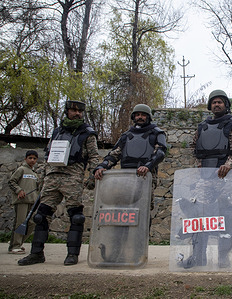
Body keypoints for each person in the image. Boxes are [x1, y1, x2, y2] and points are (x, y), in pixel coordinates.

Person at [18, 100, 100, 266]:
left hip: (72, 176)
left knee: (76, 216)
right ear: (67, 111)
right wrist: (41, 176)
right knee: (41, 216)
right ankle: (36, 253)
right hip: (52, 177)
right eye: (73, 110)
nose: (77, 113)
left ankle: (72, 254)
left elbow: (93, 156)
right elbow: (47, 155)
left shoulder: (87, 133)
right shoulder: (57, 132)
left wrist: (92, 176)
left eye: (80, 111)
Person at [181, 89, 232, 268]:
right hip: (205, 178)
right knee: (200, 218)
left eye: (220, 102)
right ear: (210, 106)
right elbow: (193, 148)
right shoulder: (202, 126)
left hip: (225, 177)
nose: (217, 104)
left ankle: (223, 257)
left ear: (226, 104)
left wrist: (229, 164)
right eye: (214, 102)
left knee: (225, 218)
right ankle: (197, 257)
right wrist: (198, 162)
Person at [94, 104, 166, 212]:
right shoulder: (126, 135)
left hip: (145, 176)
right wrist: (102, 166)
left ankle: (143, 229)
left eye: (143, 115)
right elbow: (114, 154)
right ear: (133, 117)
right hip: (126, 176)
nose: (140, 117)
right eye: (137, 115)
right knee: (123, 207)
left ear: (148, 117)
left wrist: (147, 166)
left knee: (143, 209)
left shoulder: (156, 133)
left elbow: (160, 153)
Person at [8, 150, 40, 254]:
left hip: (32, 201)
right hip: (22, 201)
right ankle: (15, 246)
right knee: (20, 222)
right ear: (25, 159)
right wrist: (19, 190)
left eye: (34, 158)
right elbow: (11, 182)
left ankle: (18, 243)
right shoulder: (21, 169)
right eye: (30, 158)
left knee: (31, 223)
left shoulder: (35, 174)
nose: (32, 160)